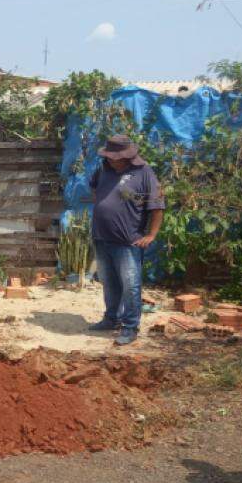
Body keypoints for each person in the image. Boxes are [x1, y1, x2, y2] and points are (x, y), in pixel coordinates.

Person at [86, 135, 165, 346]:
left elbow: (157, 205)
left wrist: (151, 235)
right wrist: (103, 204)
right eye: (109, 156)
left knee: (130, 286)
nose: (112, 160)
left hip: (128, 241)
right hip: (101, 237)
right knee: (109, 283)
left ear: (128, 156)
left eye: (116, 157)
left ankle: (130, 327)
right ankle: (111, 319)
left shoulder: (144, 172)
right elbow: (93, 186)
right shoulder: (103, 169)